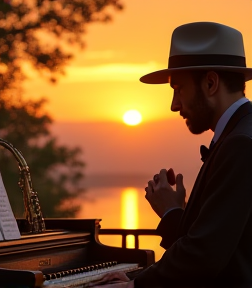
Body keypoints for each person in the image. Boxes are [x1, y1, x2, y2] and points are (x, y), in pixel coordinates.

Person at [90, 22, 252, 287]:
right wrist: (173, 213)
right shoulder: (238, 135)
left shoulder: (240, 143)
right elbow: (215, 246)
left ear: (211, 83)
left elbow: (204, 258)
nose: (174, 105)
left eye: (178, 89)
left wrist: (133, 286)